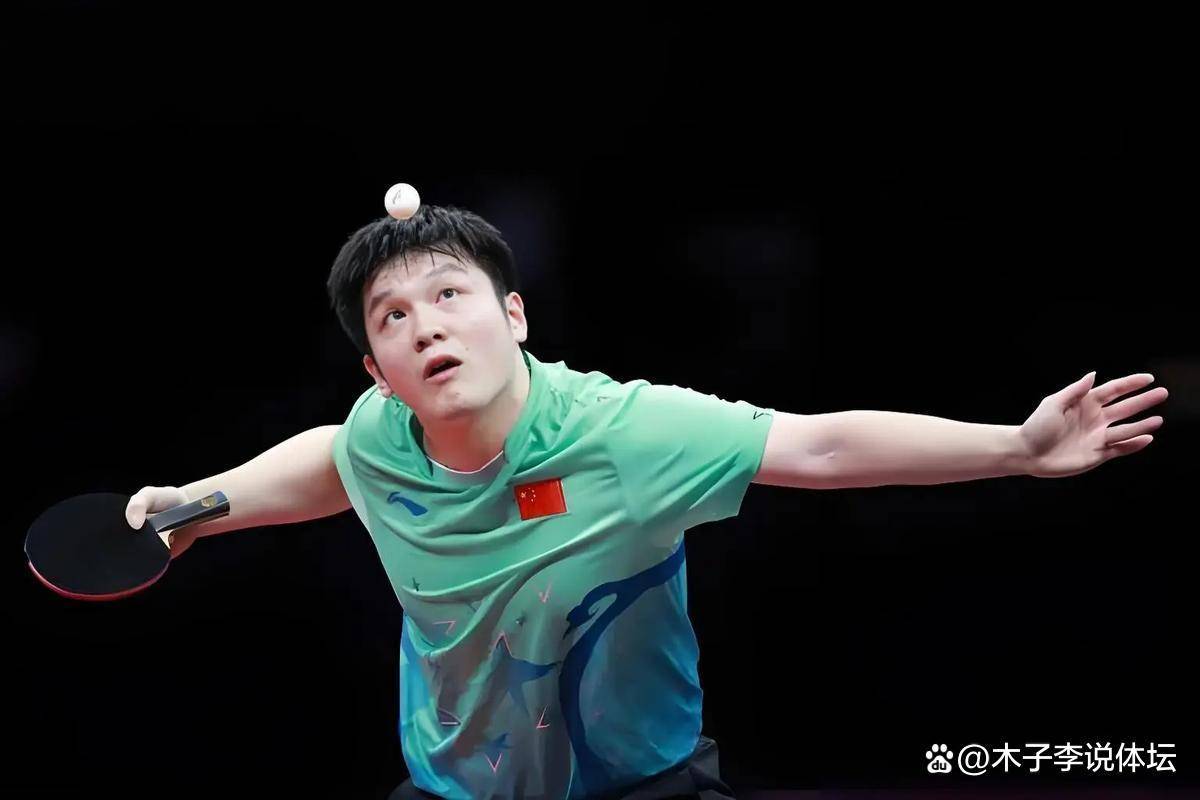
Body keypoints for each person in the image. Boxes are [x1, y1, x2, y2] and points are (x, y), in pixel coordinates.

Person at [125, 205, 1167, 799]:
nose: (425, 324)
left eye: (449, 294)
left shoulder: (625, 432)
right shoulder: (377, 438)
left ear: (513, 314)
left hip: (643, 789)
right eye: (392, 316)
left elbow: (817, 443)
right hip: (453, 791)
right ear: (377, 372)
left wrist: (1017, 447)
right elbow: (330, 460)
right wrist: (201, 507)